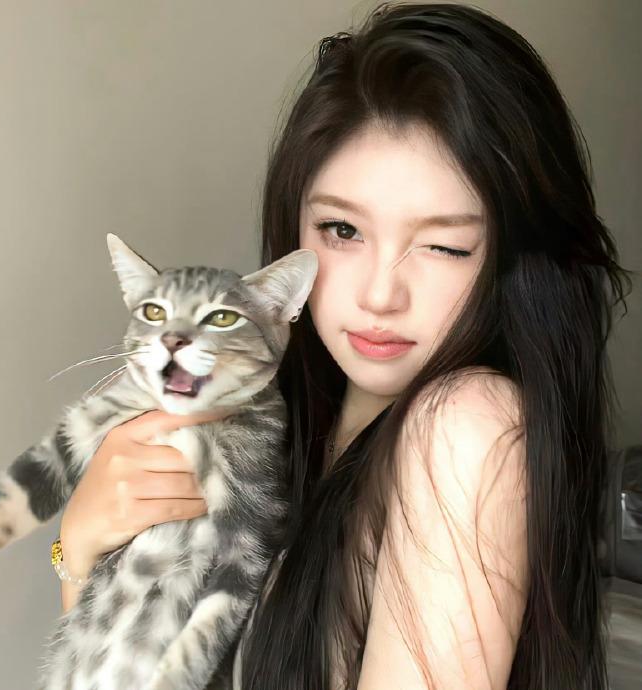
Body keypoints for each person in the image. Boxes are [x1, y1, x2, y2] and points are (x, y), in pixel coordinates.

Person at [58, 3, 633, 689]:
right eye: (342, 231)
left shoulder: (466, 426)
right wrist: (80, 547)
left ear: (515, 260)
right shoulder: (283, 429)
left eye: (446, 246)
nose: (380, 294)